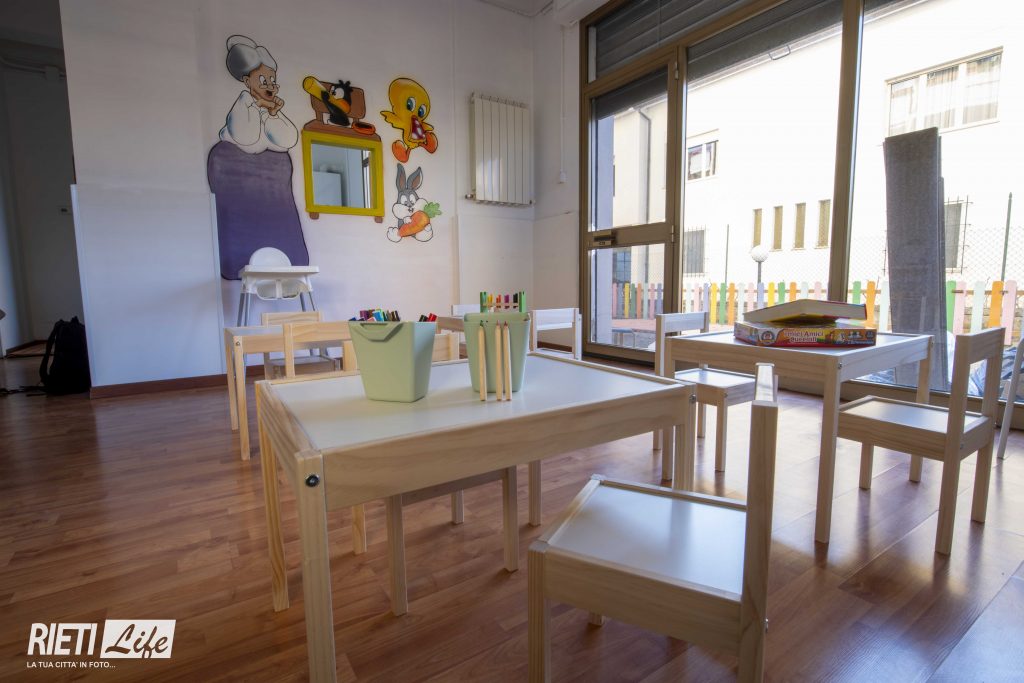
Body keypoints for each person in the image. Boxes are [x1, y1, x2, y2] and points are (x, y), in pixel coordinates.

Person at [219, 35, 298, 153]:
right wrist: (257, 105)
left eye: (273, 81)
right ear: (247, 81)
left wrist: (273, 114)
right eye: (264, 81)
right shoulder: (244, 103)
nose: (270, 86)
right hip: (233, 158)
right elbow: (245, 137)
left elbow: (290, 140)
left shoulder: (270, 107)